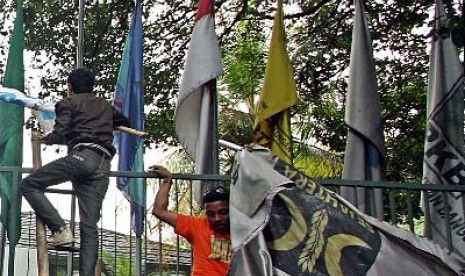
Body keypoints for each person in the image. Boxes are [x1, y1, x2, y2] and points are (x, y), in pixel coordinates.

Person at [20, 68, 130, 276]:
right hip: (103, 164)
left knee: (29, 184)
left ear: (70, 87)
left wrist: (47, 138)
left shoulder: (68, 103)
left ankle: (60, 230)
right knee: (89, 227)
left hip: (83, 157)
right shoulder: (105, 106)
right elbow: (125, 122)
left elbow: (60, 133)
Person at [150, 165, 231, 276]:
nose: (217, 219)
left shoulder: (248, 231)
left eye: (223, 212)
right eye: (211, 214)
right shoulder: (197, 226)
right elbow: (159, 210)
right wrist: (167, 180)